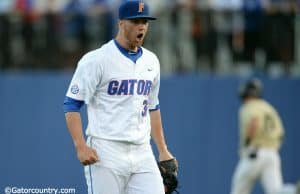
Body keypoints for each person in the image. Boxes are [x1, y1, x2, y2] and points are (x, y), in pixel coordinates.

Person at [63, 1, 176, 193]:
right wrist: (80, 146)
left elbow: (152, 107)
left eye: (145, 21)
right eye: (135, 21)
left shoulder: (151, 61)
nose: (141, 26)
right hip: (106, 149)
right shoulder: (97, 60)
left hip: (142, 150)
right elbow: (71, 104)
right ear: (121, 23)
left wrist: (163, 149)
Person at [231, 78, 299, 194]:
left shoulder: (249, 106)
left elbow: (254, 121)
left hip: (255, 153)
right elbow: (281, 134)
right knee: (275, 191)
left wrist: (247, 142)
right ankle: (293, 191)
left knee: (238, 191)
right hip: (272, 154)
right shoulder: (268, 108)